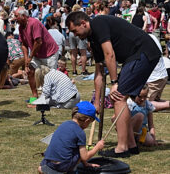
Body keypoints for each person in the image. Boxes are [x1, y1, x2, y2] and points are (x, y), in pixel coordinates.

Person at [66, 12, 161, 158]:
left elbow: (110, 55)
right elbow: (99, 72)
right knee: (118, 98)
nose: (75, 35)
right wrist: (97, 102)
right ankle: (131, 145)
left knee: (118, 97)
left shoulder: (98, 23)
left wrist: (115, 83)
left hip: (144, 51)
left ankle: (122, 148)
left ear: (83, 23)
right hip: (134, 56)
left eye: (74, 31)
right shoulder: (92, 39)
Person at [38, 101, 104, 174]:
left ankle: (43, 169)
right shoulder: (80, 132)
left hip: (49, 162)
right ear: (87, 120)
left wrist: (86, 164)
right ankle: (70, 171)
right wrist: (97, 147)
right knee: (79, 150)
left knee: (68, 147)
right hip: (62, 166)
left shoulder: (64, 124)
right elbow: (84, 157)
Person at [15, 7, 58, 99]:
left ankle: (50, 98)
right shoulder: (20, 27)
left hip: (49, 53)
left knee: (50, 77)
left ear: (23, 16)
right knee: (30, 71)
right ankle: (35, 96)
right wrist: (26, 59)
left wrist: (30, 57)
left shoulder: (34, 23)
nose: (15, 18)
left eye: (16, 16)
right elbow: (23, 44)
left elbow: (38, 42)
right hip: (37, 54)